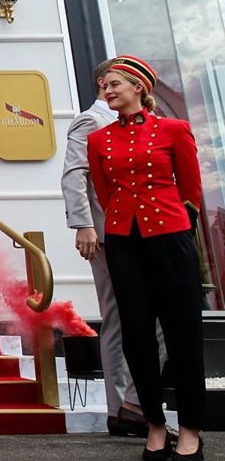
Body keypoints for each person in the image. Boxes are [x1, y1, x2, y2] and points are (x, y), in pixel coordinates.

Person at [87, 56, 207, 461]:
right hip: (124, 241)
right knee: (136, 334)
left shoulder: (174, 130)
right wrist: (124, 225)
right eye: (103, 85)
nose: (107, 90)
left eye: (114, 83)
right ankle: (154, 425)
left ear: (139, 87)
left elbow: (191, 190)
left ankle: (189, 430)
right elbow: (105, 193)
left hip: (170, 239)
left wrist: (176, 230)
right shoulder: (98, 140)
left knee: (183, 333)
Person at [62, 58, 161, 437]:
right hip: (108, 234)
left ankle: (126, 406)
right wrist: (83, 225)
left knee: (127, 319)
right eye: (115, 81)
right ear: (105, 83)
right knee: (124, 318)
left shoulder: (134, 124)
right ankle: (126, 405)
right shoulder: (91, 120)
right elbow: (74, 173)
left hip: (137, 232)